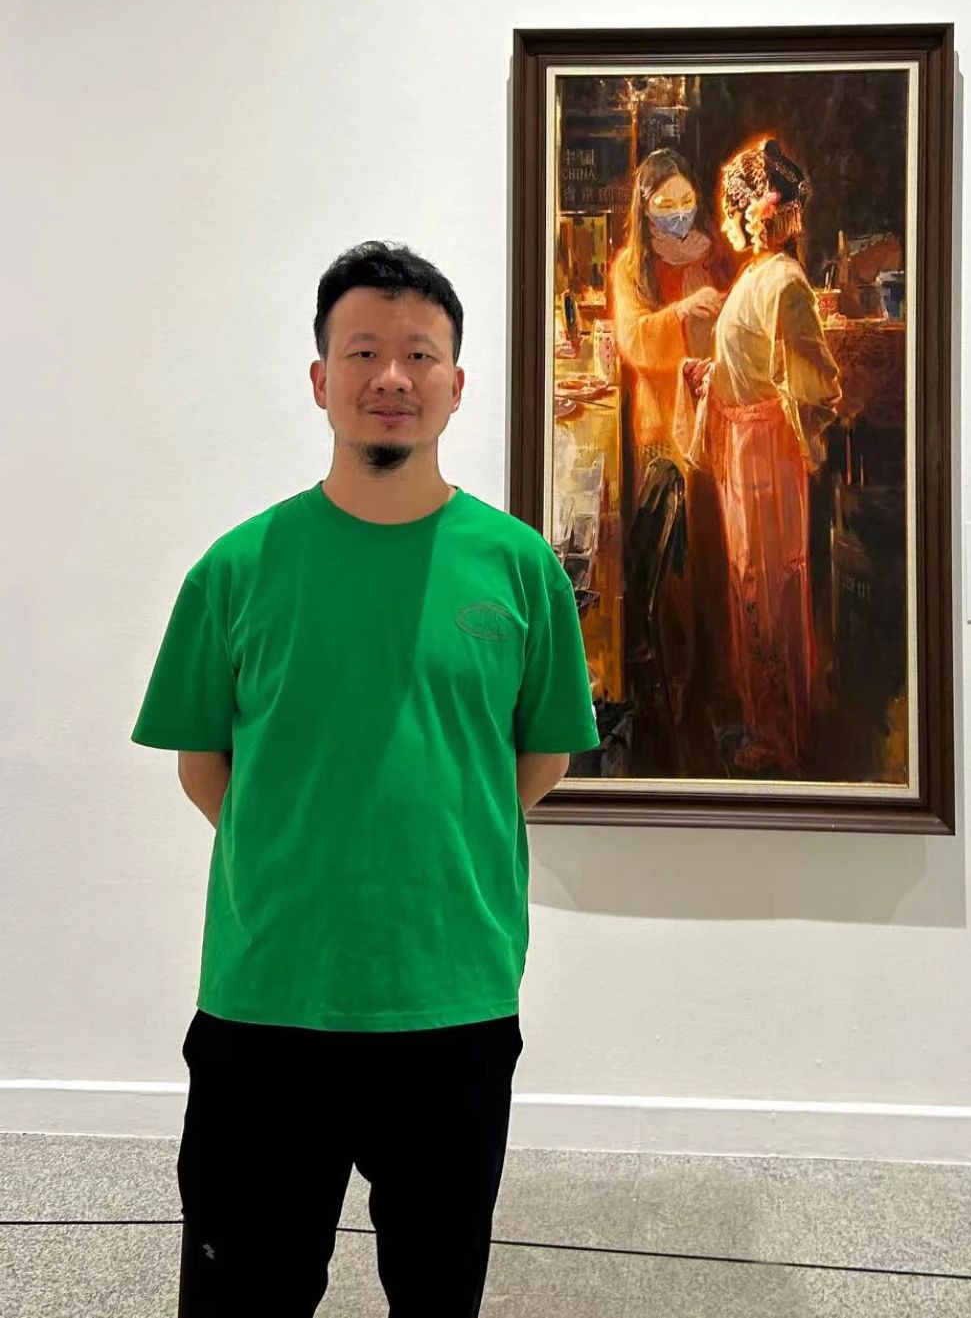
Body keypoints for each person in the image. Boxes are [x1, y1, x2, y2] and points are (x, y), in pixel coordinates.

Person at [132, 242, 600, 1317]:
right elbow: (205, 764)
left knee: (437, 1292)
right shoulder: (237, 567)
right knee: (245, 1293)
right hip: (268, 998)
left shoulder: (519, 566)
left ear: (456, 383)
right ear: (319, 378)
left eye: (419, 353)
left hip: (453, 996)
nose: (392, 375)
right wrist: (299, 842)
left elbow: (541, 755)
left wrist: (441, 832)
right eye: (362, 351)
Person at [677, 139, 840, 776]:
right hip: (747, 449)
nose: (725, 223)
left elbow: (812, 380)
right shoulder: (758, 275)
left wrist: (786, 416)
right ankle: (764, 721)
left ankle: (782, 737)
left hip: (767, 450)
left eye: (732, 210)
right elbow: (746, 360)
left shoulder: (785, 284)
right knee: (751, 581)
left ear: (757, 213)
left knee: (772, 584)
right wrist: (711, 375)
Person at [610, 150, 733, 757]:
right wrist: (681, 312)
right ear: (645, 207)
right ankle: (676, 694)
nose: (679, 214)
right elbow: (634, 342)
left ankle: (715, 688)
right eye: (666, 204)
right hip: (661, 428)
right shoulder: (630, 267)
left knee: (716, 556)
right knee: (674, 561)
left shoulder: (717, 254)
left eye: (687, 201)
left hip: (717, 418)